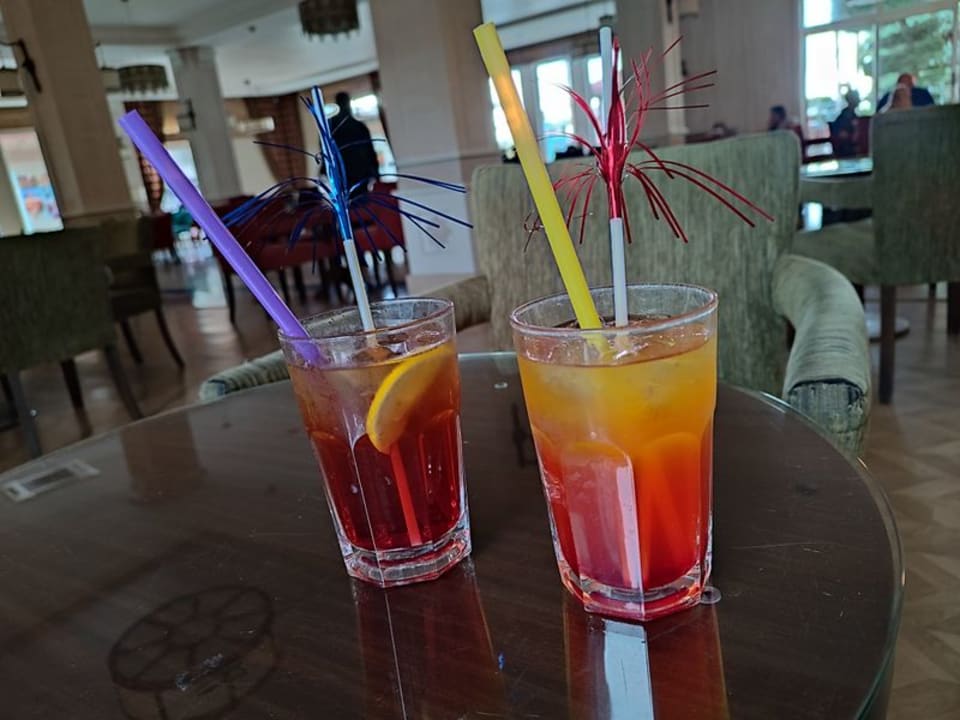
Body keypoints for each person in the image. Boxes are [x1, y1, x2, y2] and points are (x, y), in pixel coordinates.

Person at [330, 91, 379, 196]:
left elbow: (369, 150)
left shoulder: (331, 125)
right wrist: (375, 172)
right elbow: (370, 150)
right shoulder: (358, 126)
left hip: (345, 173)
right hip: (353, 173)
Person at [830, 90, 860, 158]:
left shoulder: (852, 114)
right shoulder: (846, 115)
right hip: (846, 150)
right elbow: (842, 134)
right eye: (857, 98)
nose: (859, 100)